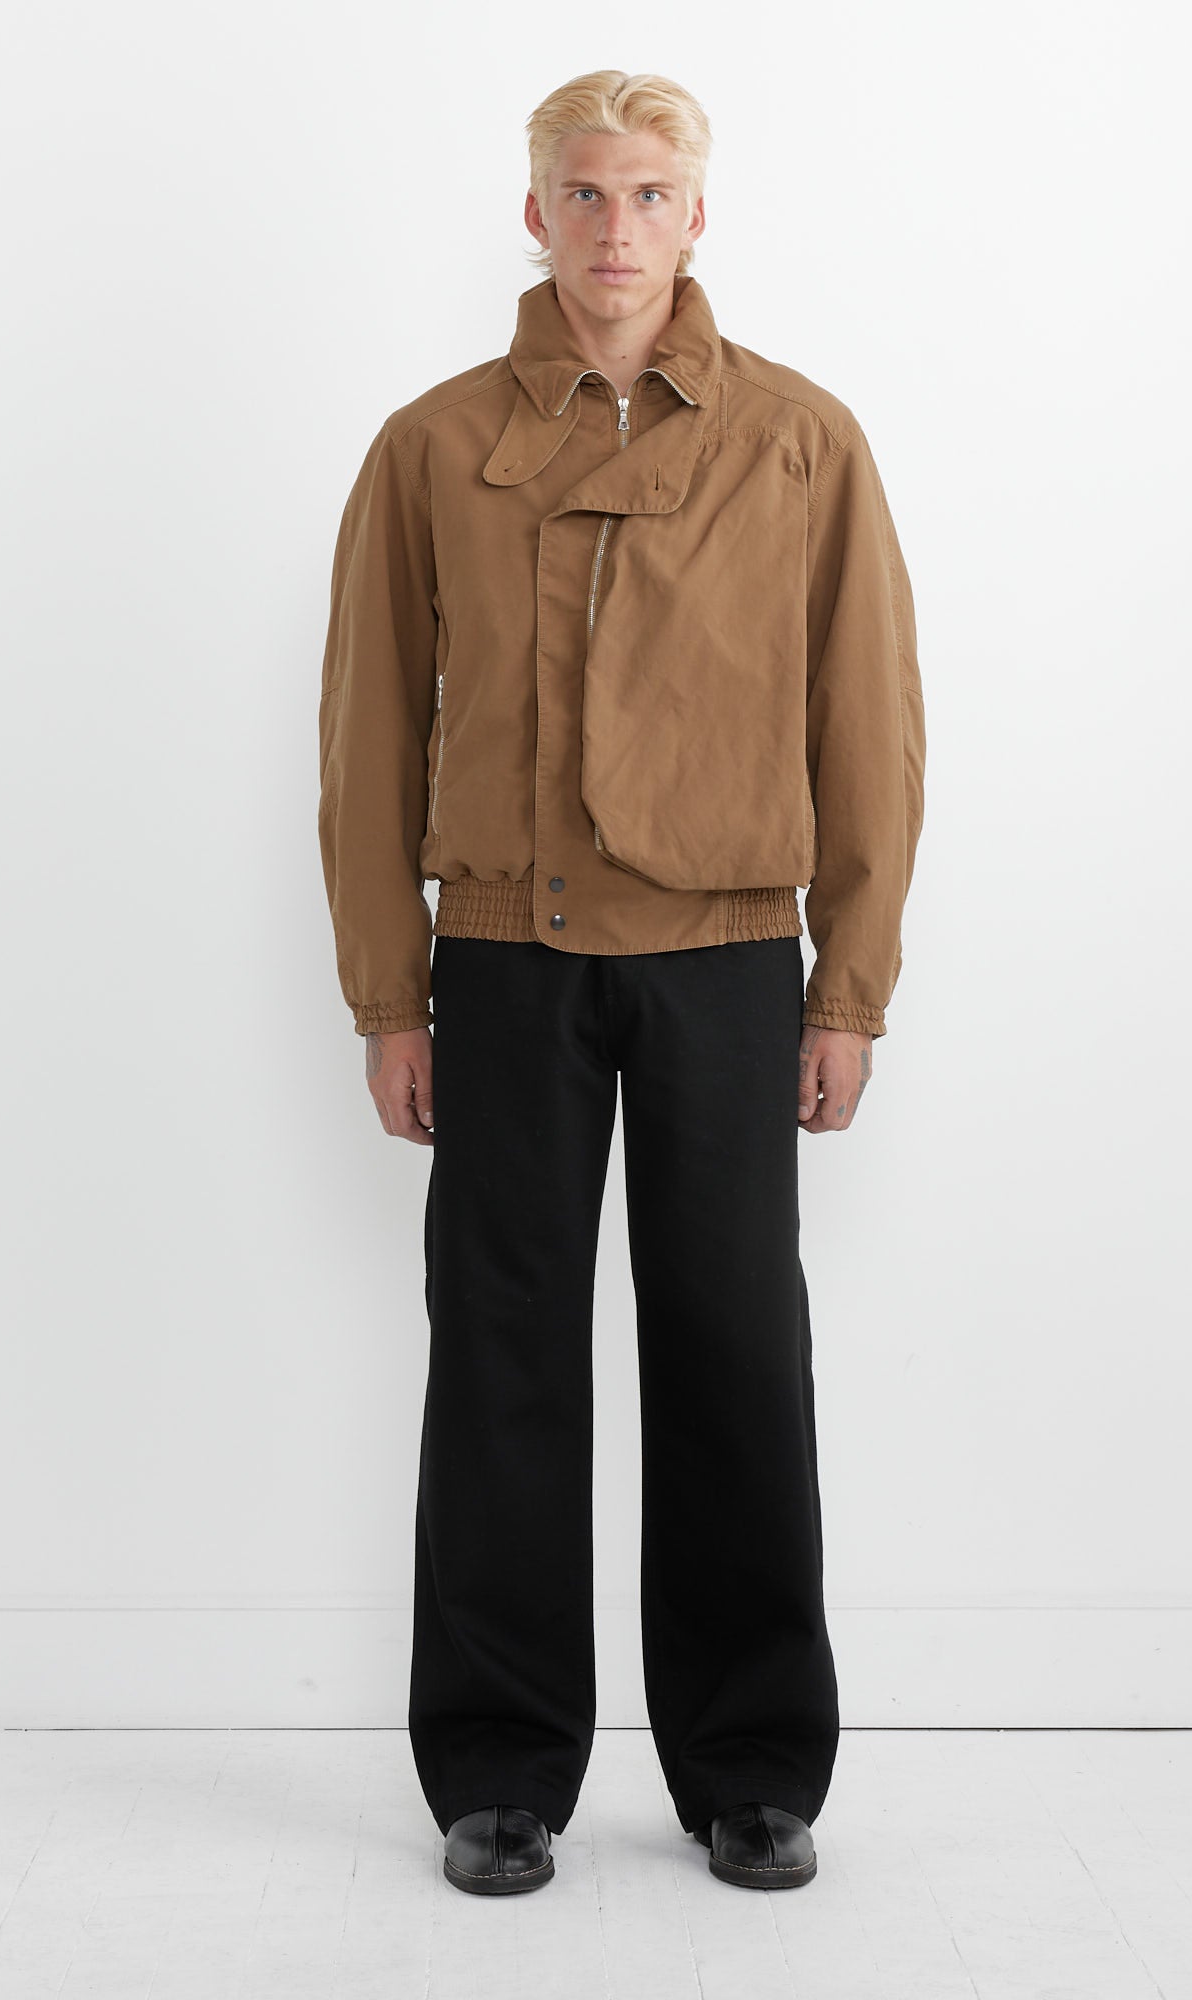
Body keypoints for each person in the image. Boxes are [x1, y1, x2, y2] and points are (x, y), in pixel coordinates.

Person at [317, 68, 926, 1896]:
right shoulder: (429, 448)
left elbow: (869, 728)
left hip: (727, 960)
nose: (614, 227)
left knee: (735, 1351)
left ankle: (753, 1767)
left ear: (697, 216)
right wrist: (390, 996)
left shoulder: (803, 444)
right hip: (505, 960)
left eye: (650, 194)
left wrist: (848, 987)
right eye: (583, 193)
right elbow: (363, 738)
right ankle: (499, 1769)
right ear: (535, 215)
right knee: (501, 1356)